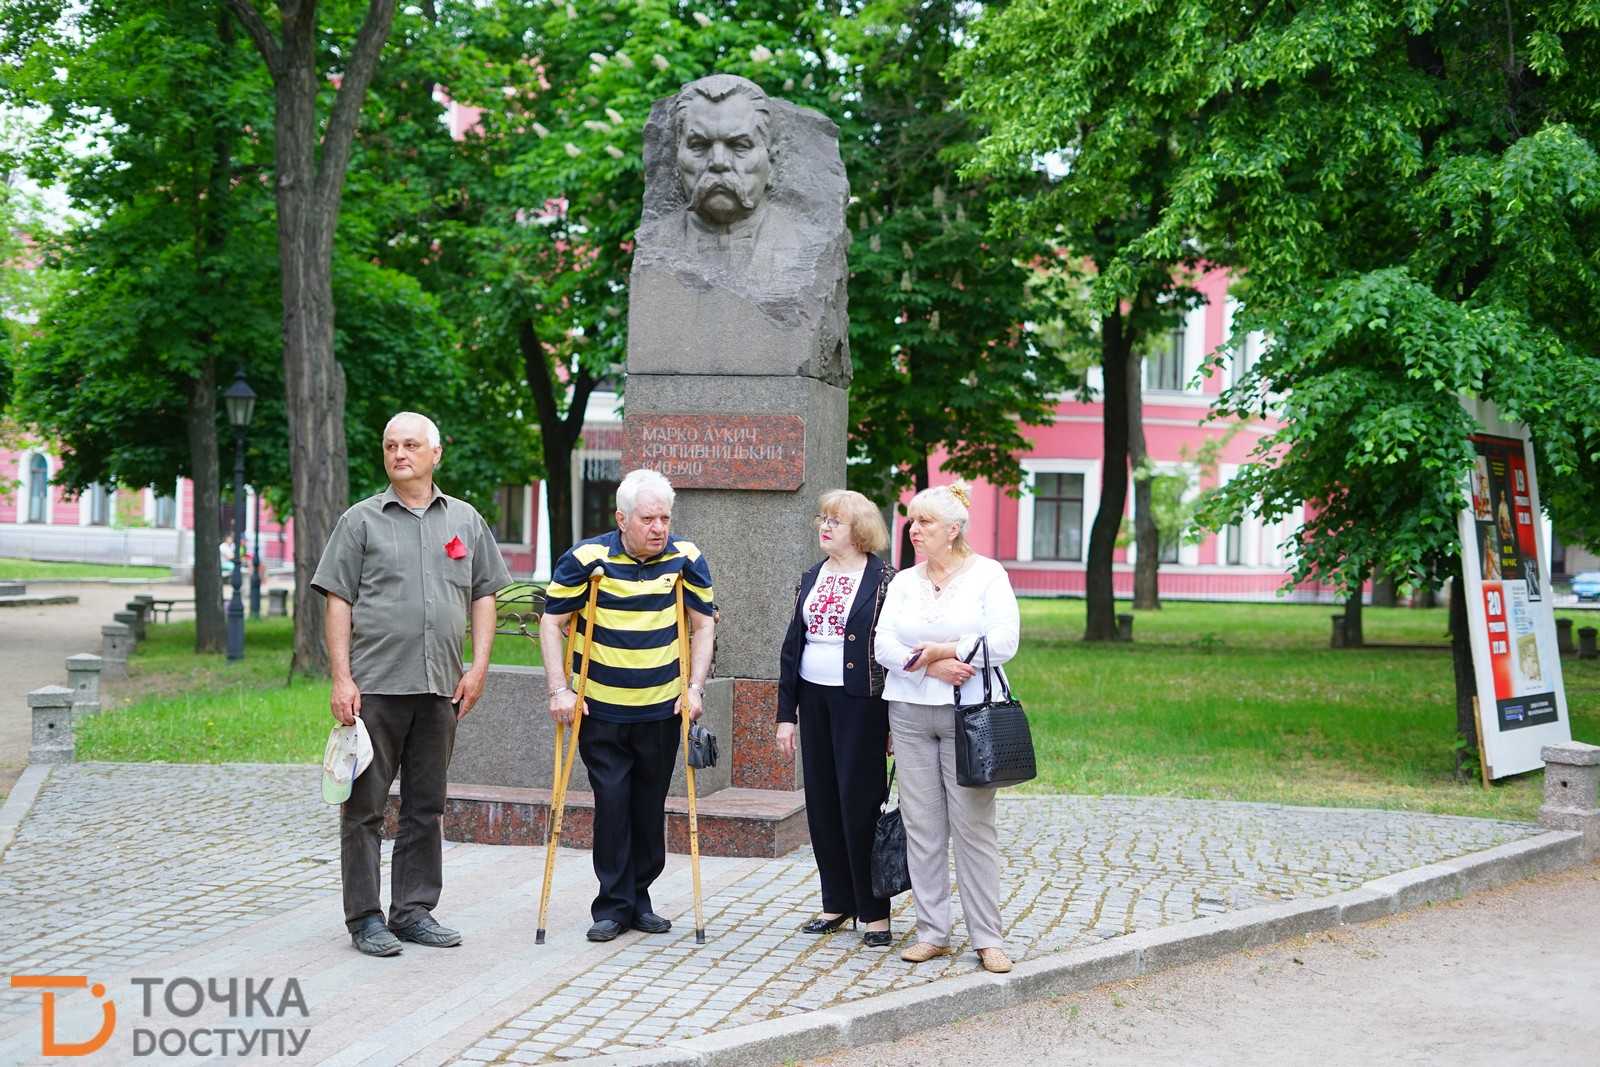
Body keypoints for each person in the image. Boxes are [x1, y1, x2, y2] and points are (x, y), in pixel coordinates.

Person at [311, 411, 512, 957]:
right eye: (391, 445)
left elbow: (485, 595)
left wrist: (478, 668)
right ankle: (365, 919)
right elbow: (337, 599)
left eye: (411, 445)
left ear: (435, 454)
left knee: (427, 805)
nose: (400, 454)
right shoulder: (360, 521)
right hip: (375, 689)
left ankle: (414, 910)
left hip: (440, 691)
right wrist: (341, 677)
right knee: (364, 808)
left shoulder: (467, 522)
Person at [537, 468, 716, 942]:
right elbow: (551, 624)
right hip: (601, 708)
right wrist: (560, 689)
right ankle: (613, 905)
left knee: (648, 805)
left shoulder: (686, 557)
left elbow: (703, 625)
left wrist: (695, 688)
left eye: (665, 517)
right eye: (648, 519)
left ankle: (641, 899)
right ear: (621, 518)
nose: (659, 528)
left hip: (662, 708)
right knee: (613, 802)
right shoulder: (587, 558)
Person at [873, 480, 1020, 974]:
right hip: (911, 714)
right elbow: (882, 646)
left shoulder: (988, 575)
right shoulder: (903, 582)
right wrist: (931, 664)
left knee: (973, 827)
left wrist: (945, 650)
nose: (914, 530)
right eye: (912, 521)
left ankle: (988, 937)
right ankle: (932, 931)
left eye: (925, 522)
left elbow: (1003, 642)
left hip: (971, 716)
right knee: (922, 827)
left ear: (953, 530)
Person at [776, 490, 896, 948]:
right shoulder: (811, 576)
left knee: (860, 802)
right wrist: (787, 715)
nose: (825, 527)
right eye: (822, 519)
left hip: (862, 703)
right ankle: (836, 901)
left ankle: (874, 911)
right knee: (823, 801)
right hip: (814, 699)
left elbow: (891, 655)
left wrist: (890, 722)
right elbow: (792, 647)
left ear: (860, 530)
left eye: (836, 521)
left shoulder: (884, 579)